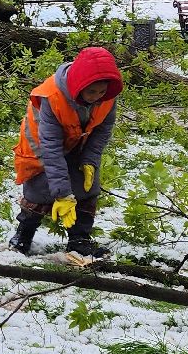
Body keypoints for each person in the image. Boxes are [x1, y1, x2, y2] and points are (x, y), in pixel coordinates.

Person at [9, 46, 123, 258]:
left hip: (78, 142)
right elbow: (50, 146)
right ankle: (22, 236)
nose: (96, 97)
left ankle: (79, 240)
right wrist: (62, 193)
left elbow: (102, 130)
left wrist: (90, 159)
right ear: (79, 85)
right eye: (91, 92)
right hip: (40, 147)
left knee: (88, 188)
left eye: (101, 92)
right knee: (39, 189)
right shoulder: (52, 97)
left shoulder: (107, 97)